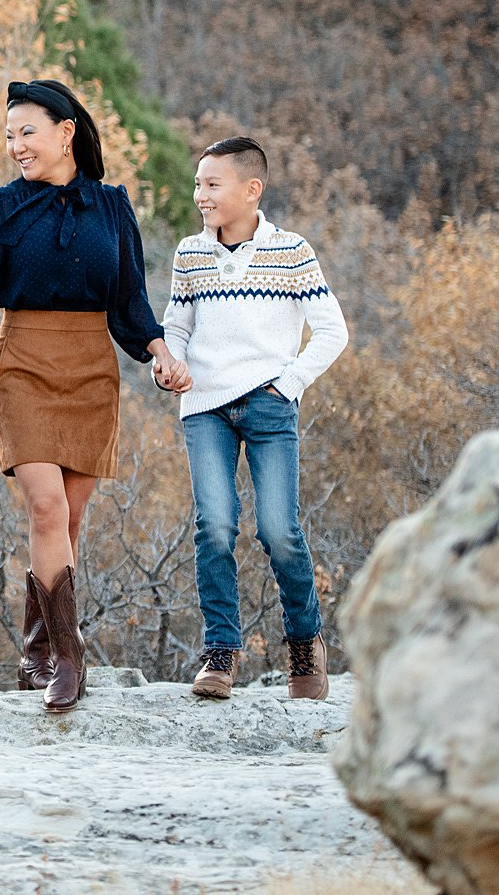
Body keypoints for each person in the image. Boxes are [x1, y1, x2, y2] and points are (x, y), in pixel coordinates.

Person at [0, 79, 189, 713]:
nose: (16, 145)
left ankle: (37, 648)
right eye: (9, 135)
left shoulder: (113, 206)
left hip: (92, 368)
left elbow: (129, 302)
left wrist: (160, 354)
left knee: (69, 519)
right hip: (23, 363)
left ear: (66, 133)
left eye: (27, 132)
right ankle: (69, 663)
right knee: (45, 508)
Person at [161, 136, 349, 702]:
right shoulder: (189, 253)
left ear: (251, 189)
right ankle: (221, 649)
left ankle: (304, 641)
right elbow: (177, 327)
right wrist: (167, 363)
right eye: (198, 184)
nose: (200, 196)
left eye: (211, 184)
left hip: (270, 405)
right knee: (214, 526)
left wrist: (288, 383)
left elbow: (333, 331)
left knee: (278, 531)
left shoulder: (291, 251)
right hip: (206, 407)